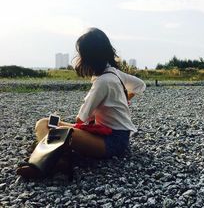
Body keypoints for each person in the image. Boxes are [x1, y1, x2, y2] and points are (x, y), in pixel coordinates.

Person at [17, 28, 146, 178]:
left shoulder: (102, 82)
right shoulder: (113, 73)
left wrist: (119, 100)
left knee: (52, 128)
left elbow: (81, 119)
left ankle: (45, 163)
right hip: (115, 136)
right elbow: (140, 85)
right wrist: (122, 100)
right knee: (45, 123)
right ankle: (57, 157)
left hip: (111, 142)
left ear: (88, 57)